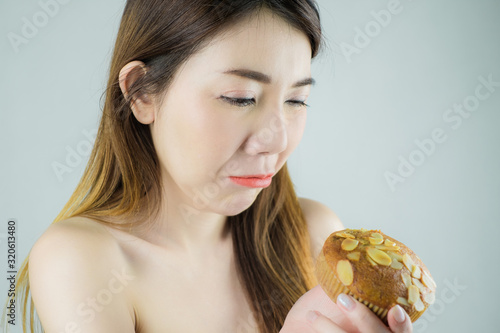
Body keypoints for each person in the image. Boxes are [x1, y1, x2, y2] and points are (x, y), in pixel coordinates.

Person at [5, 1, 413, 332]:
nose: (277, 139)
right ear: (142, 94)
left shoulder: (314, 233)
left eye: (296, 101)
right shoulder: (80, 257)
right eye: (240, 98)